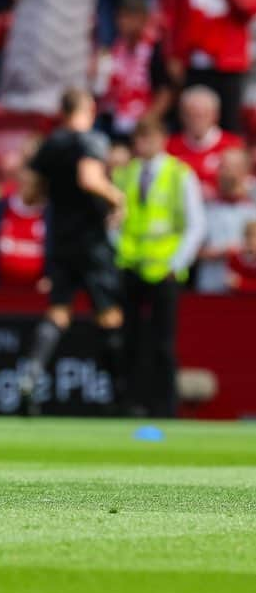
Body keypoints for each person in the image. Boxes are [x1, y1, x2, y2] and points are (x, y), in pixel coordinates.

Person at [20, 89, 125, 415]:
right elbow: (89, 179)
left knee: (59, 311)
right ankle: (120, 395)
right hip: (91, 241)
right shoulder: (90, 140)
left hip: (60, 239)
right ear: (88, 108)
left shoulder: (50, 144)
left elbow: (30, 196)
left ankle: (31, 376)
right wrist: (116, 198)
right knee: (109, 313)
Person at [115, 119, 205, 418]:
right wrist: (119, 250)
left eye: (149, 137)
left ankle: (165, 408)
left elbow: (195, 225)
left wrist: (176, 263)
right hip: (131, 266)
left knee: (163, 343)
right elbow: (115, 221)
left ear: (163, 139)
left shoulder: (180, 175)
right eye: (139, 138)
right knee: (130, 341)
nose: (143, 144)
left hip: (164, 269)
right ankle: (129, 404)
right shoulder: (126, 175)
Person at [172, 0, 256, 133]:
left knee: (229, 120)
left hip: (227, 62)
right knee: (193, 117)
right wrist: (177, 55)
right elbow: (180, 17)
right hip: (197, 59)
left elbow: (248, 8)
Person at [94, 0, 172, 140]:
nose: (124, 23)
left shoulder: (154, 49)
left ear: (143, 19)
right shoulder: (113, 49)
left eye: (129, 17)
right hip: (115, 123)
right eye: (121, 17)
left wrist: (149, 118)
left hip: (143, 127)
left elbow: (165, 91)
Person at [167, 85, 244, 199]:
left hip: (220, 211)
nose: (197, 120)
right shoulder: (169, 147)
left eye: (202, 115)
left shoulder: (233, 145)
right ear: (182, 115)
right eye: (191, 115)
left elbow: (244, 187)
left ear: (215, 115)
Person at [197, 148, 256, 294]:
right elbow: (191, 250)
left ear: (245, 171)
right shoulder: (204, 206)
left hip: (248, 293)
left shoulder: (252, 206)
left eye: (232, 168)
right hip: (210, 290)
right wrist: (219, 253)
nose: (226, 173)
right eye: (223, 167)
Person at [226, 220, 256, 293]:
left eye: (254, 236)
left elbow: (237, 283)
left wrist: (242, 283)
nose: (251, 240)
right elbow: (231, 282)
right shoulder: (235, 258)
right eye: (248, 236)